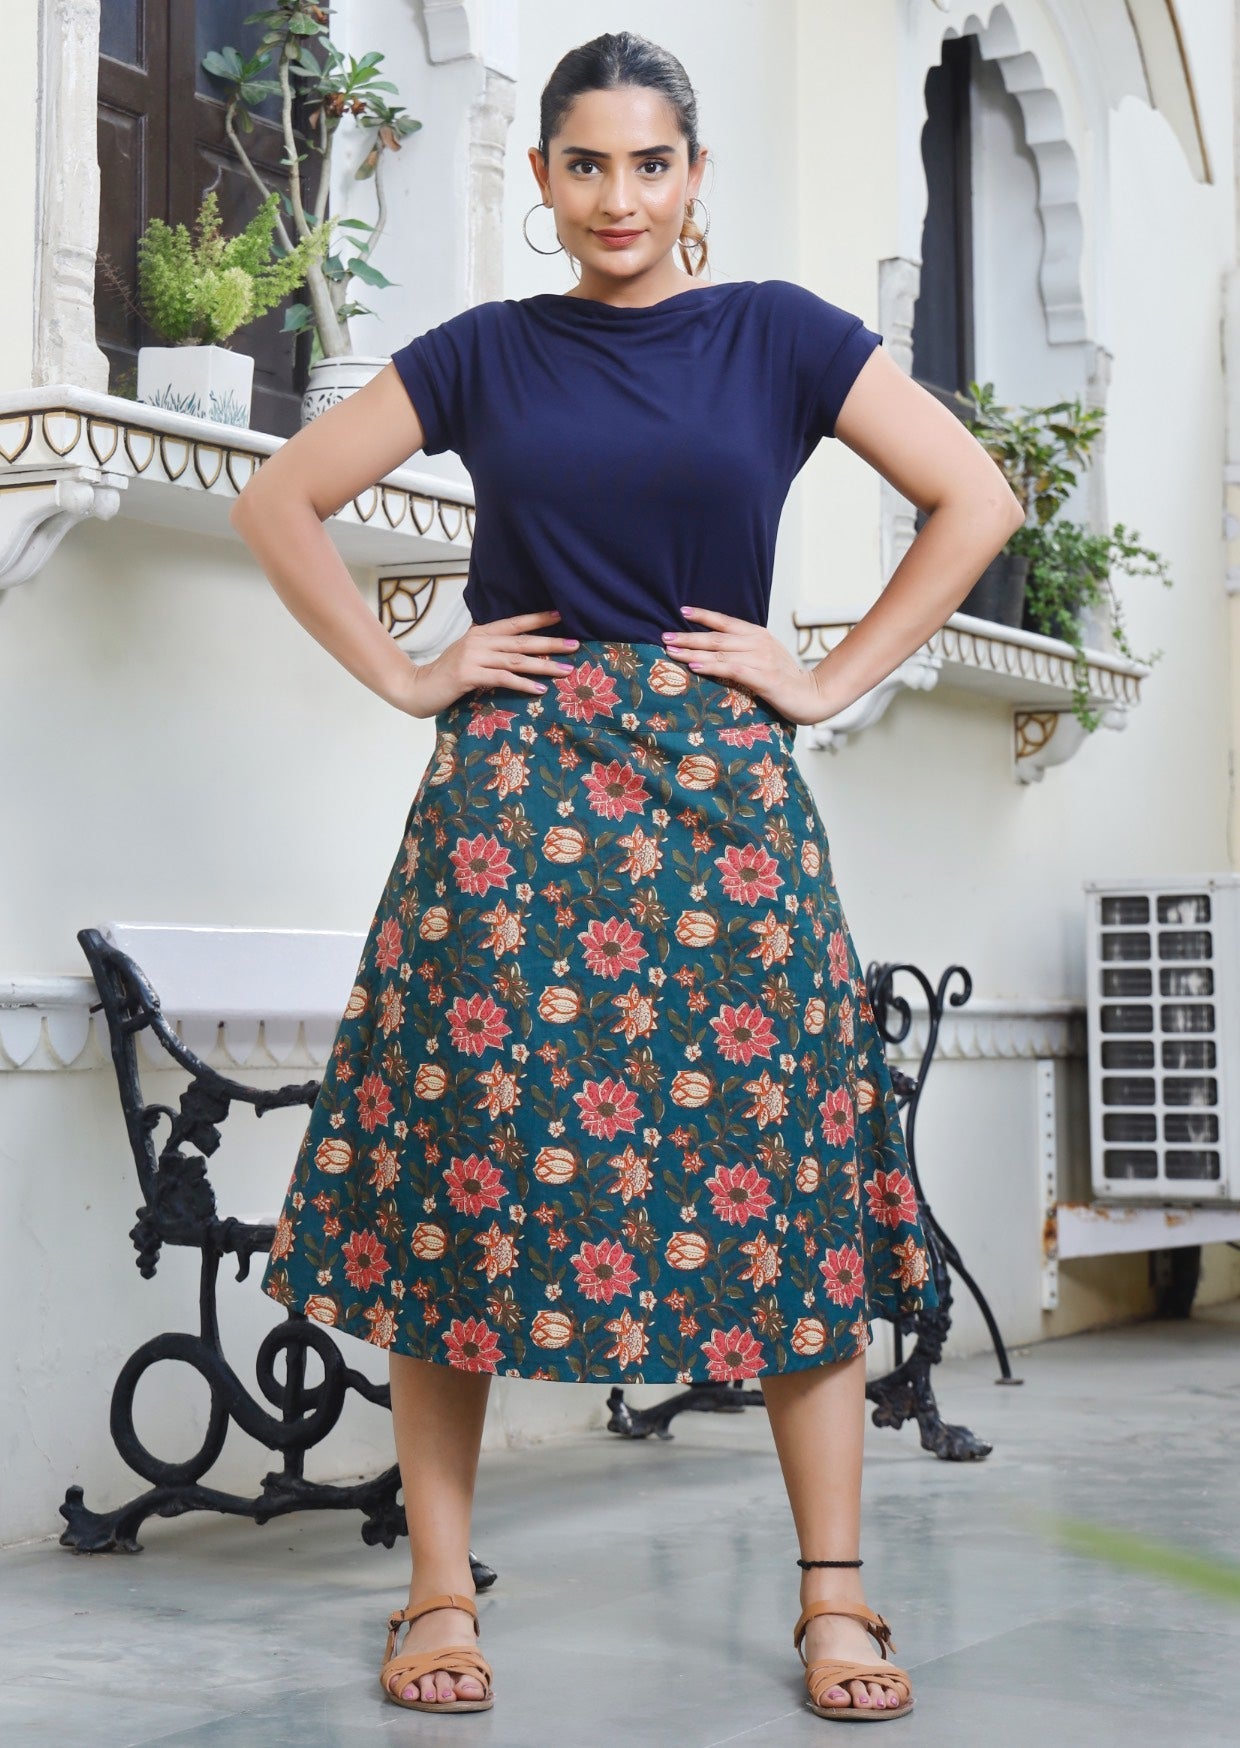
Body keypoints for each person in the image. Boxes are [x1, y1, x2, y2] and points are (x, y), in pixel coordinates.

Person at [231, 28, 1023, 1727]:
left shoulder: (783, 339)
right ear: (540, 181)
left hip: (724, 809)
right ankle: (437, 1591)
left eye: (647, 164)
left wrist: (824, 675)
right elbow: (284, 494)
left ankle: (835, 1602)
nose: (616, 197)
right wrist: (412, 675)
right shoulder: (486, 356)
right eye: (583, 164)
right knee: (461, 1177)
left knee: (789, 1181)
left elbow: (975, 495)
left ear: (694, 174)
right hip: (511, 817)